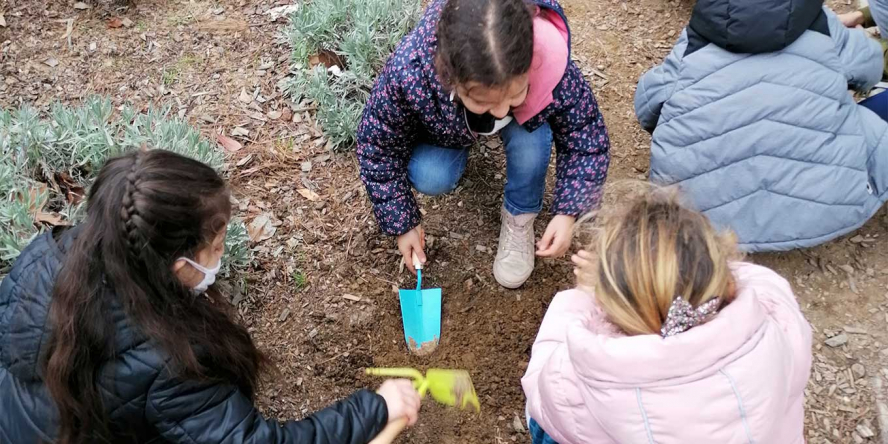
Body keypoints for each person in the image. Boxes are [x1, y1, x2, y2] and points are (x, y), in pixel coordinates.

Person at [0, 150, 421, 444]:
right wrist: (377, 409)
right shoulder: (171, 365)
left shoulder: (45, 258)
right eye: (216, 247)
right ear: (177, 265)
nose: (221, 256)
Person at [521, 187, 813, 444]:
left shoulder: (582, 376)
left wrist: (583, 297)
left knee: (548, 425)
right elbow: (759, 279)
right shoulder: (777, 318)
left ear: (611, 310)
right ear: (723, 275)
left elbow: (540, 389)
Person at [357, 0, 610, 289]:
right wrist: (402, 224)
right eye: (483, 101)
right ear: (449, 77)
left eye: (516, 94)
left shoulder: (547, 58)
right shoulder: (413, 71)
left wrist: (569, 211)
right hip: (449, 129)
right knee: (432, 175)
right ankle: (469, 134)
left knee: (532, 141)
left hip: (519, 123)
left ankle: (520, 216)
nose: (502, 111)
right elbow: (377, 146)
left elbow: (586, 136)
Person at [634, 0, 888, 251]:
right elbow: (871, 69)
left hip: (699, 218)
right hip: (832, 208)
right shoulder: (822, 23)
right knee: (866, 119)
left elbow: (648, 104)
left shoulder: (698, 34)